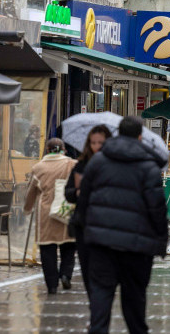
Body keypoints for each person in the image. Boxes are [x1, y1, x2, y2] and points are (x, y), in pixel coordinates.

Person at [77, 116, 167, 334]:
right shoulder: (149, 166)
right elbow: (157, 208)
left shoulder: (98, 161)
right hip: (136, 246)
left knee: (101, 296)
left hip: (101, 243)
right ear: (139, 136)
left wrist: (82, 230)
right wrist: (161, 240)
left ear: (117, 133)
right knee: (135, 301)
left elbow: (84, 200)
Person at [24, 138, 78, 294]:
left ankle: (52, 285)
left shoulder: (38, 167)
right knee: (68, 247)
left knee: (48, 250)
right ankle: (66, 275)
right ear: (63, 149)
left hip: (46, 214)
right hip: (67, 210)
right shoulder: (72, 164)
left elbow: (31, 193)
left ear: (47, 150)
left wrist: (27, 209)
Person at [64, 125, 112, 296]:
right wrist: (77, 192)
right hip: (84, 222)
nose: (96, 146)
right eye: (93, 142)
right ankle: (95, 306)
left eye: (100, 142)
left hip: (106, 223)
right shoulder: (81, 165)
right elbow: (68, 193)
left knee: (101, 269)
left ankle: (99, 309)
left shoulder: (114, 165)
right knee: (86, 267)